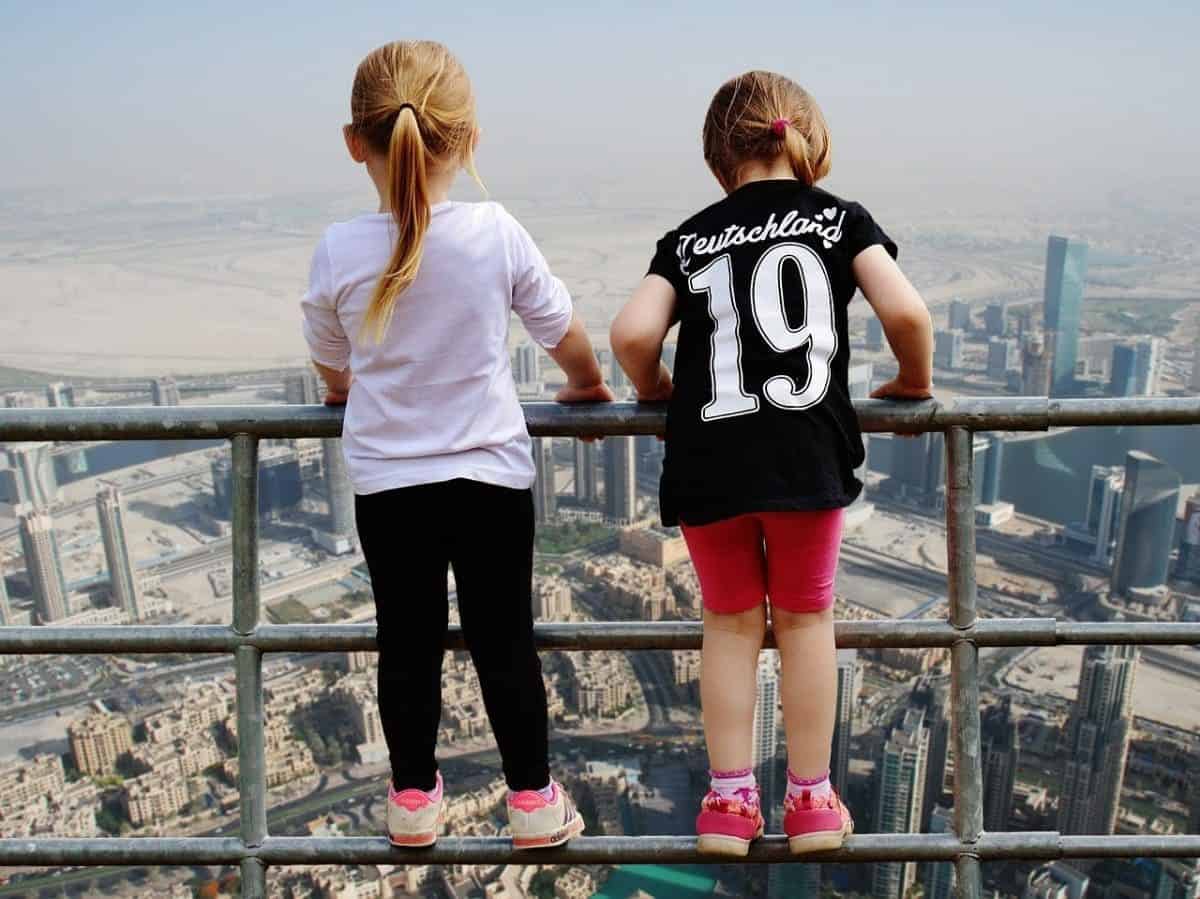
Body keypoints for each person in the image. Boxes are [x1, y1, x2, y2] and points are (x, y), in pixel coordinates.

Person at [611, 70, 933, 856]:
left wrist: (657, 388)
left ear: (722, 159)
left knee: (727, 621)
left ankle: (727, 800)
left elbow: (628, 334)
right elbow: (906, 312)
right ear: (807, 140)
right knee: (805, 618)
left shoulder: (688, 237)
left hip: (708, 459)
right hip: (805, 457)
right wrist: (912, 383)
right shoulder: (839, 219)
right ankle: (813, 799)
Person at [300, 40, 611, 849]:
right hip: (490, 480)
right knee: (504, 637)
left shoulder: (338, 248)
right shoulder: (495, 232)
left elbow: (330, 365)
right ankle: (535, 801)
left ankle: (411, 801)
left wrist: (344, 393)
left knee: (405, 642)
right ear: (469, 139)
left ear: (353, 141)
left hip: (388, 486)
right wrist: (584, 383)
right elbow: (563, 333)